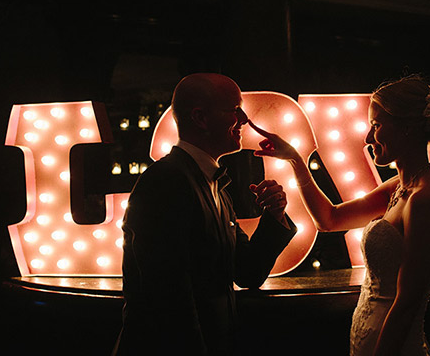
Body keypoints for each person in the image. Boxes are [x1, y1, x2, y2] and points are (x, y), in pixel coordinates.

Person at [249, 76, 430, 355]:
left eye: (376, 125)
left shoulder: (428, 199)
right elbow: (329, 220)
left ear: (407, 128)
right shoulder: (395, 188)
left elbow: (407, 303)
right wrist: (295, 160)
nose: (368, 138)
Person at [113, 73, 297, 355]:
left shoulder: (214, 184)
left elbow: (247, 272)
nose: (245, 119)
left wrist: (274, 216)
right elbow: (168, 301)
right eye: (234, 109)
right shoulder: (165, 182)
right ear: (200, 118)